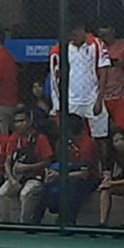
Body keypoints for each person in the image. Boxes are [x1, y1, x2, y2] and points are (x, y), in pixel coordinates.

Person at [50, 22, 110, 152]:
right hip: (71, 101)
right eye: (69, 34)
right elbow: (55, 79)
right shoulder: (60, 49)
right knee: (70, 137)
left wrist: (99, 100)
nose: (72, 36)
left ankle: (102, 168)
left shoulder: (96, 44)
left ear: (82, 30)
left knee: (100, 138)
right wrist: (57, 106)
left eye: (74, 33)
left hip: (92, 98)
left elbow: (104, 73)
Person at [37, 114, 101, 225]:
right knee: (48, 184)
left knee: (74, 185)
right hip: (68, 171)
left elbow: (84, 174)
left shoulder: (87, 144)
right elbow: (60, 163)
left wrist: (60, 175)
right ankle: (35, 220)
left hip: (89, 178)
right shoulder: (64, 142)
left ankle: (68, 220)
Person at [0, 109, 55, 224]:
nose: (19, 124)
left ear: (29, 121)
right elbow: (7, 161)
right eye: (16, 121)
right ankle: (4, 224)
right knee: (0, 195)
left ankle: (25, 224)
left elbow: (47, 162)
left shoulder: (40, 138)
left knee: (25, 194)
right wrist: (11, 179)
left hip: (35, 177)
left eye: (22, 121)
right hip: (17, 176)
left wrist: (27, 167)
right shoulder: (14, 137)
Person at [96, 24, 124, 131]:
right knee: (99, 132)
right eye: (101, 35)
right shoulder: (95, 47)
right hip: (98, 97)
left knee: (122, 130)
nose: (104, 38)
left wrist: (121, 64)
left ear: (113, 32)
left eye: (106, 35)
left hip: (119, 96)